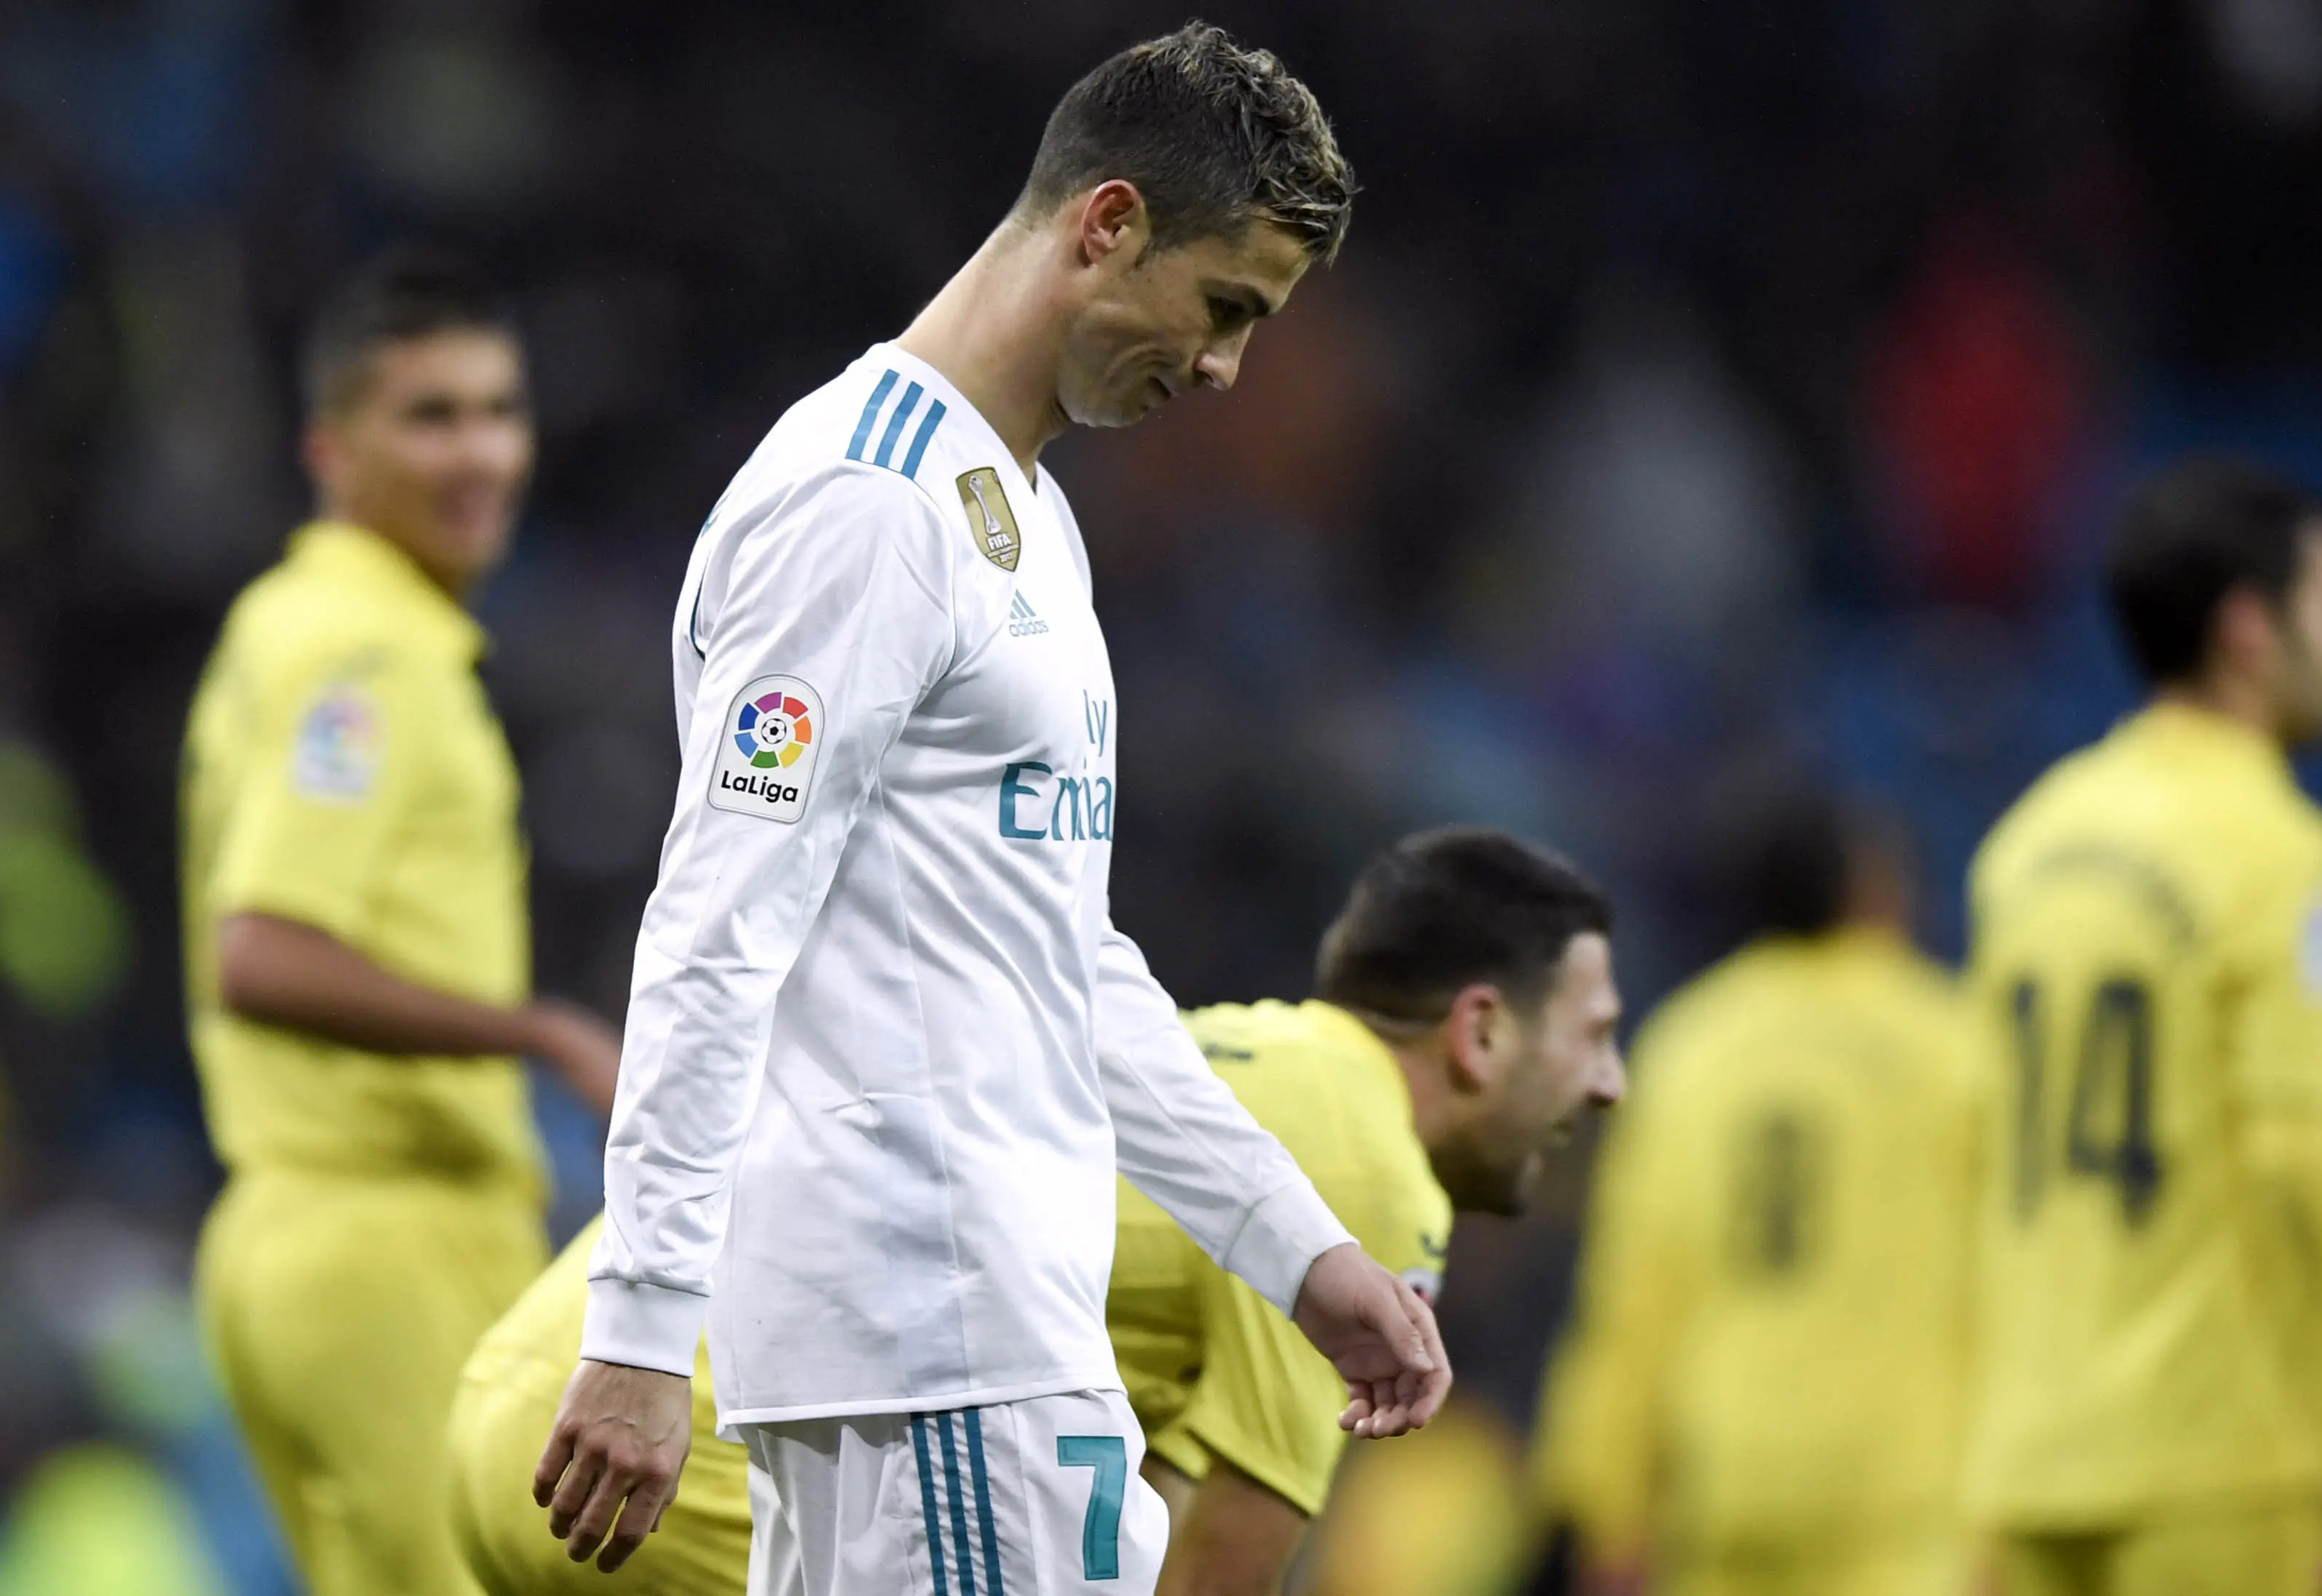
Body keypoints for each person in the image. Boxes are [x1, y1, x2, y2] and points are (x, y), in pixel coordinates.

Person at [537, 25, 1449, 1596]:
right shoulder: (868, 506)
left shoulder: (1017, 514)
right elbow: (713, 924)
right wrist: (633, 1332)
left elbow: (1060, 960)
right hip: (935, 1348)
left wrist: (1294, 1251)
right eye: (1224, 307)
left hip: (968, 1349)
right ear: (1106, 226)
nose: (1227, 367)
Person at [450, 827, 1623, 1596]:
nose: (1609, 1082)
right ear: (1478, 1031)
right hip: (715, 1452)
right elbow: (1223, 1565)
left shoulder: (1236, 1062)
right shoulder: (1365, 1173)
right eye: (1593, 1035)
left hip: (551, 1393)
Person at [179, 248, 624, 1596]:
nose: (480, 451)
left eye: (500, 410)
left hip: (294, 1239)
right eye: (431, 416)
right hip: (384, 1237)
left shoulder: (287, 621)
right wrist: (539, 1032)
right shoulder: (366, 655)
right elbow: (259, 952)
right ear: (330, 446)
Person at [1964, 459, 2322, 1595]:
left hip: (2031, 1456)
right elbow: (2297, 1163)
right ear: (2250, 630)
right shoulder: (2292, 860)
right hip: (2215, 1464)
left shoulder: (2023, 847)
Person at [1536, 791, 1982, 1596]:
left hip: (1728, 1490)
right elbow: (2011, 1279)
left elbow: (1634, 1298)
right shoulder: (1950, 1044)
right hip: (1905, 1495)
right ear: (1869, 892)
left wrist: (1606, 1505)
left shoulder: (1687, 1049)